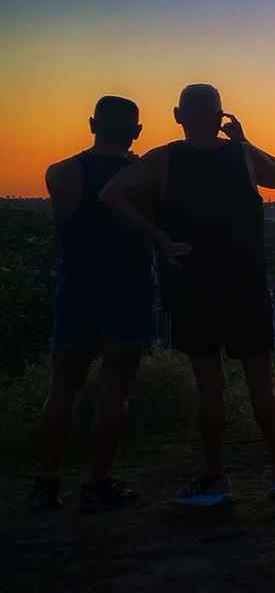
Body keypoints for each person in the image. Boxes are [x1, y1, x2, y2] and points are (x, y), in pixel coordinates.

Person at [101, 84, 275, 505]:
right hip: (244, 284)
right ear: (222, 116)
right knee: (261, 379)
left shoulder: (163, 159)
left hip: (188, 285)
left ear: (177, 115)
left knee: (209, 384)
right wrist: (244, 141)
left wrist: (156, 236)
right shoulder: (239, 155)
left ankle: (214, 477)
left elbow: (110, 194)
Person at [32, 97, 184, 513]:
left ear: (91, 124)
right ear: (136, 132)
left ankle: (46, 485)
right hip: (130, 285)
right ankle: (97, 484)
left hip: (76, 284)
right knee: (115, 388)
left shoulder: (60, 173)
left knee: (63, 386)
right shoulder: (141, 178)